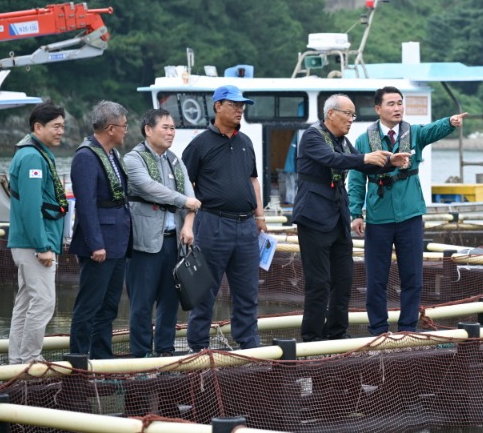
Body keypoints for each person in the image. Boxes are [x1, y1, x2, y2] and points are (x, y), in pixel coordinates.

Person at [348, 86, 467, 335]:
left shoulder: (413, 133)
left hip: (410, 215)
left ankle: (407, 328)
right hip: (379, 217)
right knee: (376, 278)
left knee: (412, 276)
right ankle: (378, 329)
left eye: (400, 103)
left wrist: (450, 122)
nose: (397, 108)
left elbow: (432, 131)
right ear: (378, 109)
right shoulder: (363, 140)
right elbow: (357, 180)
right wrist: (356, 213)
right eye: (391, 103)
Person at [291, 94, 410, 342]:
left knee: (344, 280)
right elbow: (331, 159)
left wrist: (391, 162)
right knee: (318, 283)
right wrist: (365, 156)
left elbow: (362, 164)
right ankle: (312, 338)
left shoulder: (342, 141)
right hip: (313, 219)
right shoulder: (313, 136)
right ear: (331, 113)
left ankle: (337, 332)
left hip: (337, 219)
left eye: (353, 115)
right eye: (348, 114)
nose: (351, 120)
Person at [181, 84, 267, 351]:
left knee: (247, 291)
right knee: (204, 289)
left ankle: (248, 343)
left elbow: (253, 180)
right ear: (218, 106)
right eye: (234, 105)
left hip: (245, 225)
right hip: (212, 222)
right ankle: (197, 345)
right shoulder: (199, 144)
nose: (240, 109)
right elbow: (185, 186)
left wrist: (260, 217)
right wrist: (190, 222)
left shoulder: (245, 141)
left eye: (242, 105)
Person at [124, 108, 202, 358]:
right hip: (144, 243)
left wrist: (189, 224)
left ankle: (166, 351)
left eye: (172, 128)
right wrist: (186, 202)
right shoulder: (133, 159)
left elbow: (192, 199)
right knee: (141, 304)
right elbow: (149, 189)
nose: (171, 133)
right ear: (148, 129)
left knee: (170, 303)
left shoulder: (175, 161)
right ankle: (140, 355)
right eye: (165, 127)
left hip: (174, 243)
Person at [68, 100, 132, 359]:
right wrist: (95, 243)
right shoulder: (86, 156)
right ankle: (80, 360)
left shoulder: (113, 155)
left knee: (109, 306)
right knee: (89, 306)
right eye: (124, 126)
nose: (127, 130)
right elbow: (85, 204)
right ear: (110, 128)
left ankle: (102, 357)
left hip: (118, 240)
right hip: (100, 243)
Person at [6, 101, 67, 364]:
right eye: (55, 126)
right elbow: (31, 208)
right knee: (43, 302)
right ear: (38, 127)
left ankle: (16, 360)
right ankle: (30, 359)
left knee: (25, 303)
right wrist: (42, 246)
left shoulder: (33, 152)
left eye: (63, 126)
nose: (60, 131)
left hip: (28, 242)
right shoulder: (32, 156)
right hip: (35, 244)